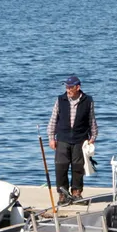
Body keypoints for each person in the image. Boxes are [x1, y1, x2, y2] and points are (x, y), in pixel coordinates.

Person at [47, 74, 98, 205]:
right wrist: (51, 137)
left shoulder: (88, 101)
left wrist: (93, 137)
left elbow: (91, 119)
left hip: (80, 139)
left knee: (78, 167)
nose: (68, 90)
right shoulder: (60, 100)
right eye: (66, 87)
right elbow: (53, 120)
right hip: (62, 139)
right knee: (61, 167)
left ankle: (77, 193)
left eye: (70, 87)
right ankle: (63, 195)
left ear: (77, 87)